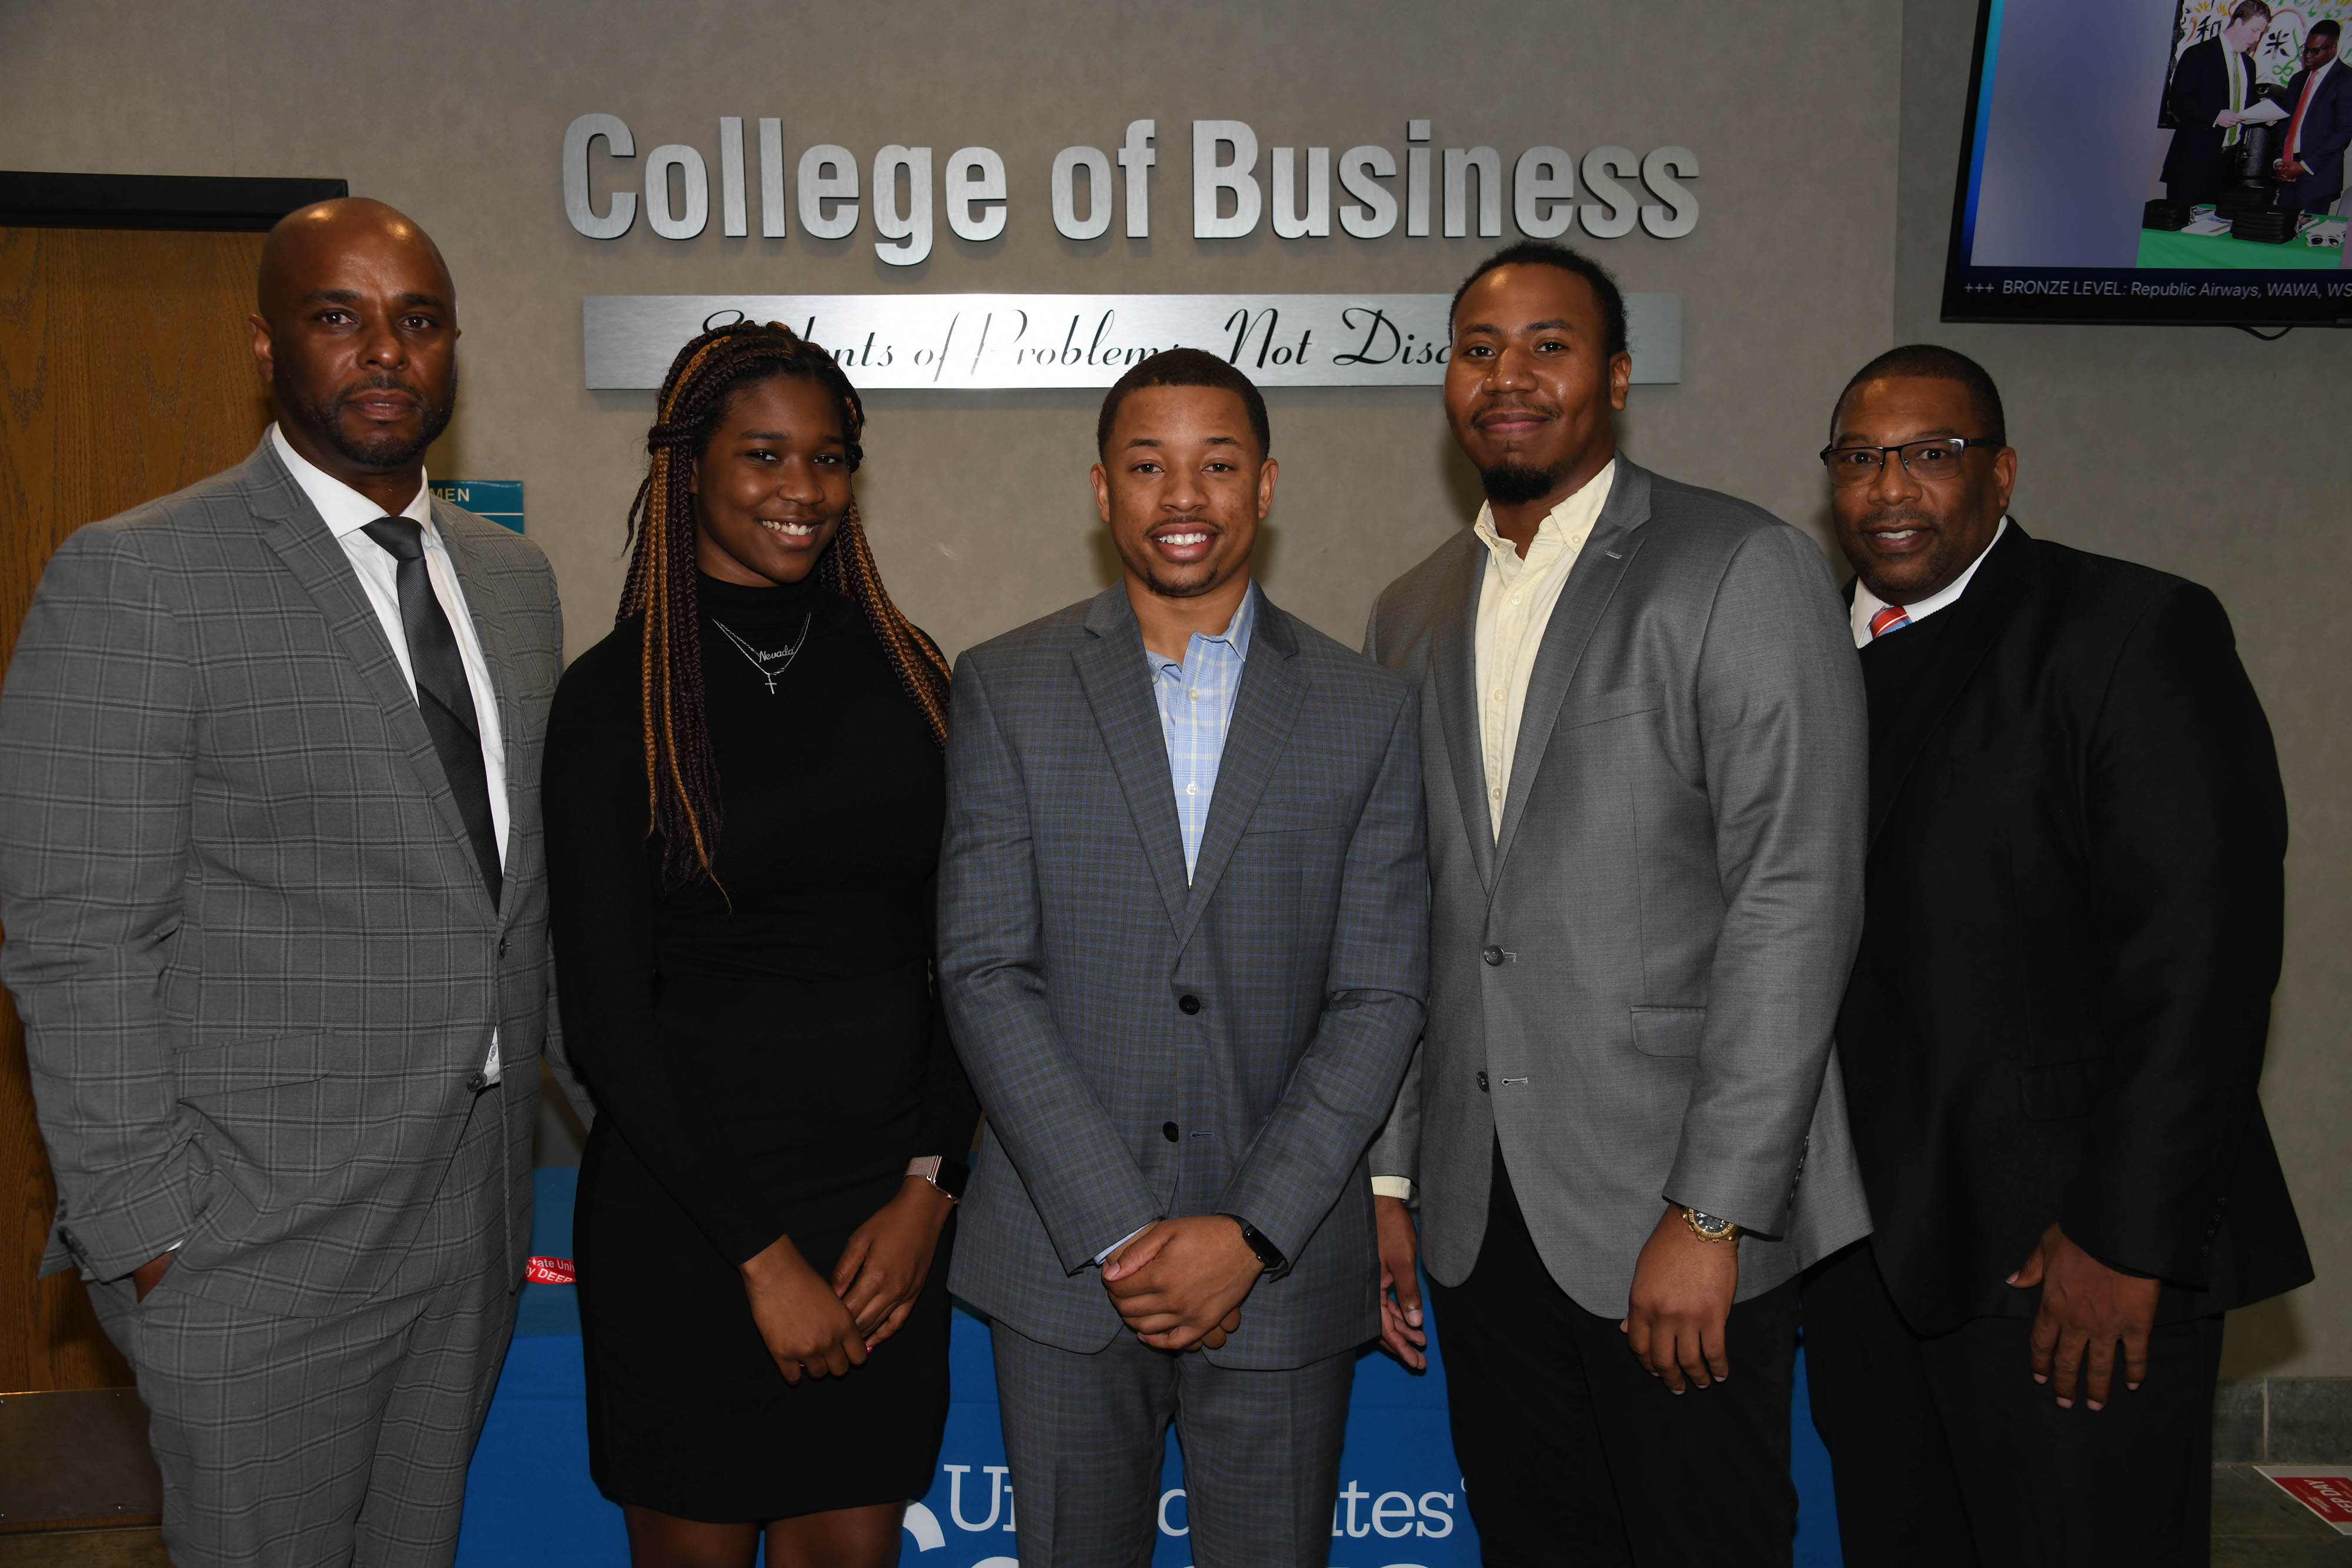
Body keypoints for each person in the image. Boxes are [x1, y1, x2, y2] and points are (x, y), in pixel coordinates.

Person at [0, 198, 575, 1566]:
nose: (385, 351)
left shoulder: (513, 584)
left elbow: (516, 899)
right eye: (340, 317)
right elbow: (77, 944)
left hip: (470, 1219)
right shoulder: (136, 579)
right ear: (267, 345)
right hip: (253, 1247)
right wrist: (156, 1242)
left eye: (417, 321)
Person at [1364, 240, 1870, 1567]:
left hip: (1669, 1215)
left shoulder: (1734, 565)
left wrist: (1712, 1212)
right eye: (1478, 348)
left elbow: (1795, 893)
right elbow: (1416, 913)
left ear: (1618, 377)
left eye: (1548, 344)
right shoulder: (1410, 609)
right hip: (1481, 1222)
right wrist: (1394, 1173)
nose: (1508, 376)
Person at [1799, 345, 2313, 1567]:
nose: (1891, 489)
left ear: (1999, 472)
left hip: (2060, 1265)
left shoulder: (2129, 630)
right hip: (1859, 1264)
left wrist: (2124, 1235)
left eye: (1931, 455)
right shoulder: (1804, 660)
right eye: (1860, 459)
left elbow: (2201, 962)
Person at [936, 349, 1428, 1568]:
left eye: (1216, 464)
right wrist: (1119, 1230)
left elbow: (1379, 993)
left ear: (1265, 485)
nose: (1182, 495)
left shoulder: (1367, 710)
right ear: (1100, 490)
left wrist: (1247, 1233)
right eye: (1147, 465)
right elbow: (983, 972)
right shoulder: (1005, 686)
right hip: (1065, 1268)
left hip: (1283, 1265)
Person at [542, 320, 978, 1568]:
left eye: (830, 458)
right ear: (688, 468)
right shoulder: (611, 698)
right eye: (765, 456)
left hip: (878, 1225)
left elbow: (964, 961)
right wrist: (759, 1258)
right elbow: (606, 1026)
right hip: (693, 1228)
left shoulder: (911, 676)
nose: (804, 490)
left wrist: (927, 1187)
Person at [2163, 1, 2271, 205]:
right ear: (2239, 22)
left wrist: (2266, 115)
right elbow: (2178, 101)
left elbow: (2246, 104)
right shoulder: (2199, 54)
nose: (2257, 39)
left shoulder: (2248, 64)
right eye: (2254, 30)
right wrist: (2215, 116)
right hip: (2193, 163)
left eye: (2261, 33)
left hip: (2227, 165)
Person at [2271, 21, 2351, 212]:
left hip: (2317, 174)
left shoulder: (2347, 80)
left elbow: (2344, 133)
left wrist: (2304, 166)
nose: (2308, 56)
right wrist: (2279, 161)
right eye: (2306, 49)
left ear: (2333, 48)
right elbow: (2286, 124)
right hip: (2287, 171)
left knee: (2306, 235)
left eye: (2316, 51)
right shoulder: (2298, 79)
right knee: (2280, 234)